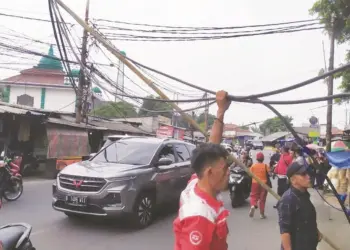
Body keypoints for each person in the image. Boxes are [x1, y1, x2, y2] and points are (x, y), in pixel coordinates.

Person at [173, 90, 231, 250]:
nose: (228, 172)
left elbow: (213, 145)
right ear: (209, 172)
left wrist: (221, 111)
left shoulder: (196, 182)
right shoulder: (200, 215)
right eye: (225, 168)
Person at [277, 162, 323, 250]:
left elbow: (305, 219)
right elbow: (285, 231)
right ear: (293, 180)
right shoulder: (288, 200)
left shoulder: (304, 194)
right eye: (303, 174)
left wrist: (316, 231)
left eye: (307, 173)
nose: (308, 177)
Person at [249, 152, 270, 219]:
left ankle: (253, 205)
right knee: (262, 199)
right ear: (263, 159)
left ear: (257, 159)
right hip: (264, 184)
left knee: (253, 196)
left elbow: (250, 174)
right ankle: (262, 214)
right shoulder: (265, 166)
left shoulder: (253, 166)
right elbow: (269, 173)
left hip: (255, 183)